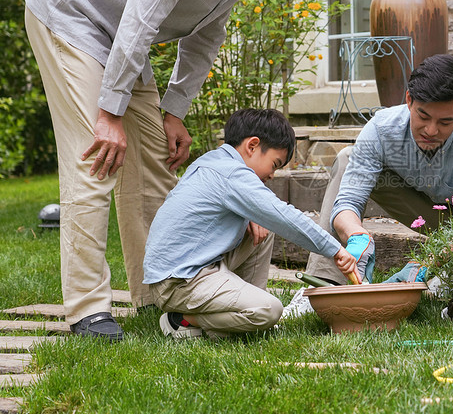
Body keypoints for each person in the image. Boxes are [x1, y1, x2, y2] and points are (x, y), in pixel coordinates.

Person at [24, 0, 334, 340]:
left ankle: (158, 292)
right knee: (96, 159)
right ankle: (88, 310)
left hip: (119, 34)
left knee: (152, 163)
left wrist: (172, 111)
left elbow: (205, 37)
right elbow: (141, 19)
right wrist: (109, 114)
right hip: (72, 16)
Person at [284, 54, 453, 317]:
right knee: (346, 159)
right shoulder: (381, 129)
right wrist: (357, 236)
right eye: (423, 116)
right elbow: (347, 202)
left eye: (445, 121)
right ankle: (323, 285)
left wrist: (425, 264)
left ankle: (442, 288)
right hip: (427, 208)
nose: (430, 130)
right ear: (408, 100)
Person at [143, 108, 358, 338]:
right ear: (252, 146)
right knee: (270, 310)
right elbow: (283, 216)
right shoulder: (232, 174)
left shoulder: (214, 160)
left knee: (263, 227)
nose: (272, 175)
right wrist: (335, 250)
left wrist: (250, 216)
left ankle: (248, 312)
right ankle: (182, 321)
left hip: (193, 264)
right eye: (274, 164)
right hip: (178, 281)